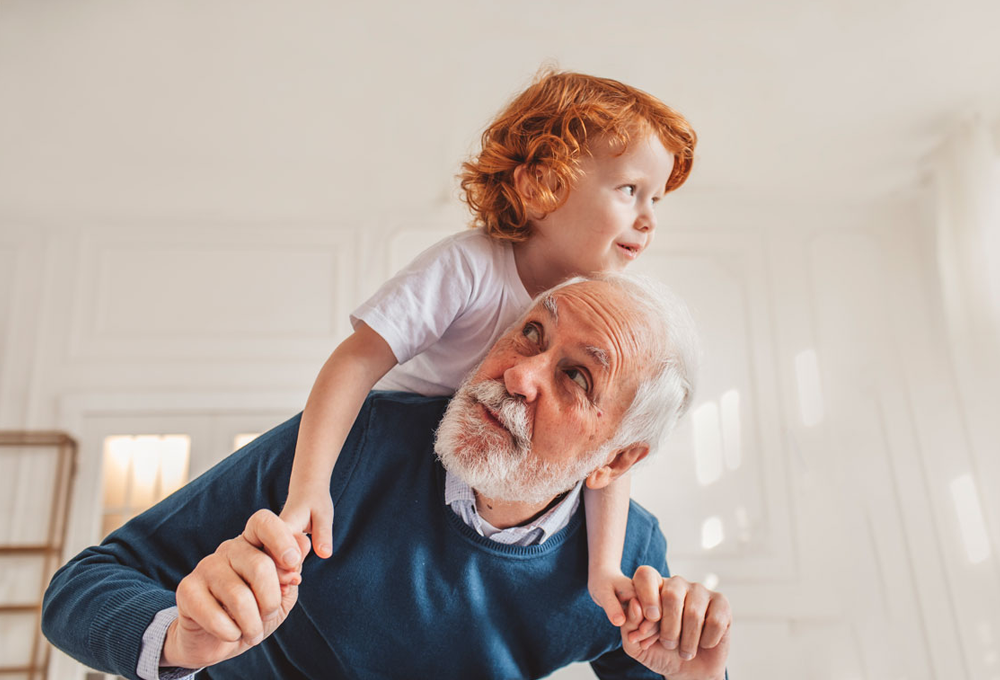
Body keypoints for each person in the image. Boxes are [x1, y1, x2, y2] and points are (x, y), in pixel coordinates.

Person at [42, 275, 732, 680]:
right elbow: (79, 588)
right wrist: (177, 638)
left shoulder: (631, 562)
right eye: (529, 334)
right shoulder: (355, 442)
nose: (519, 376)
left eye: (576, 377)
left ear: (615, 460)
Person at [280, 69, 697, 627]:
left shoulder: (607, 315)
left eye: (656, 199)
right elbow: (358, 359)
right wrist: (311, 485)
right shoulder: (468, 265)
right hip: (401, 445)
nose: (647, 219)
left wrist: (604, 570)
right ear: (539, 186)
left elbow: (605, 447)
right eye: (629, 190)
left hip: (486, 469)